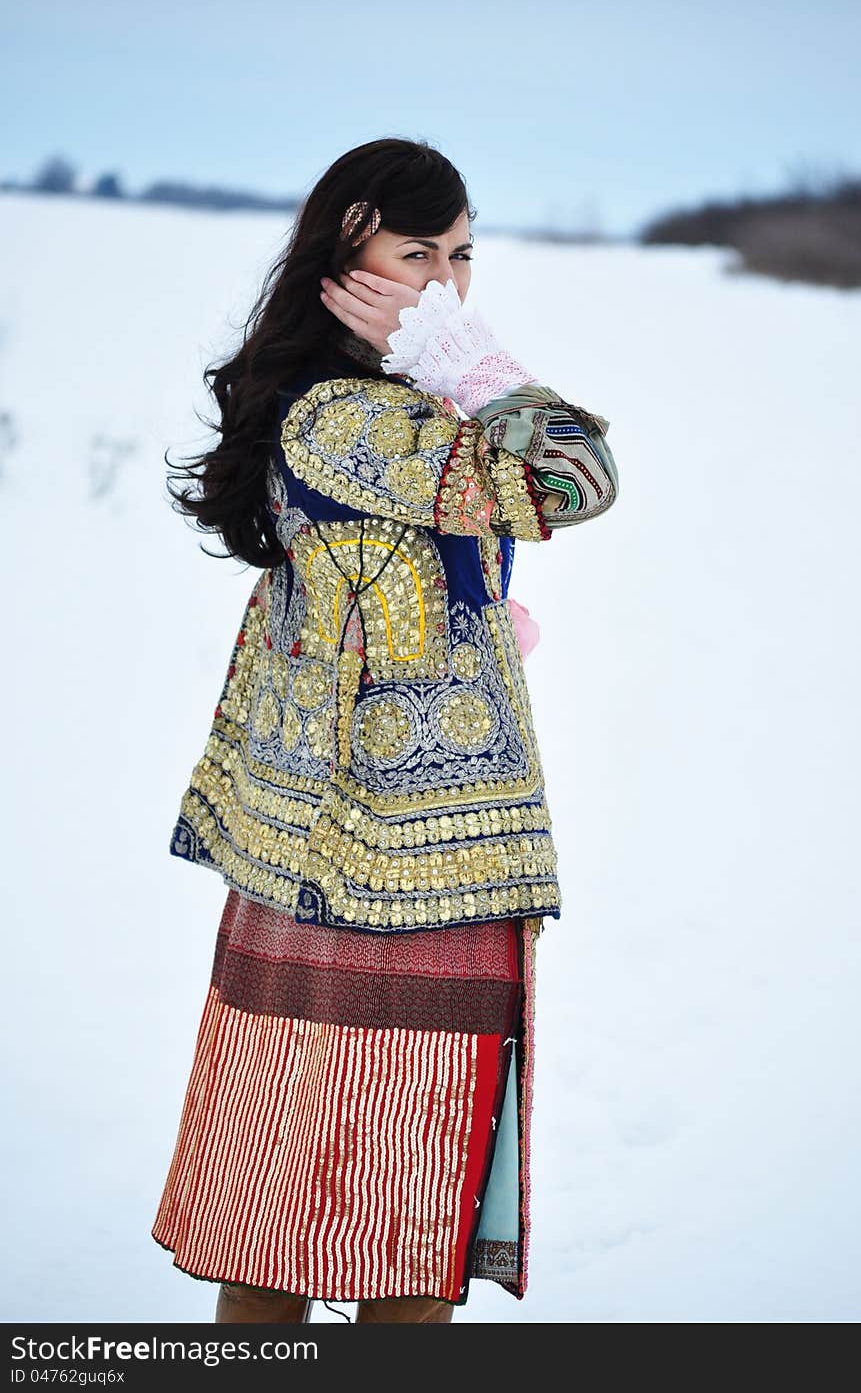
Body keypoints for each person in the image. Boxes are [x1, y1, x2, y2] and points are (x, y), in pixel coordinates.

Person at [151, 137, 619, 1325]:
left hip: (365, 842)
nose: (444, 286)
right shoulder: (349, 420)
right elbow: (573, 477)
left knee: (335, 1201)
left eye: (461, 257)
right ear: (341, 253)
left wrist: (438, 617)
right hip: (389, 864)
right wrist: (481, 372)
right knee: (363, 1215)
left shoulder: (383, 412)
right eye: (415, 253)